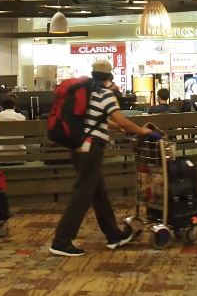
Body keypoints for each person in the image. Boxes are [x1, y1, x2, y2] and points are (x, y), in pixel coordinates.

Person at [50, 60, 155, 257]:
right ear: (110, 76)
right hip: (91, 148)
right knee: (83, 194)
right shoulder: (105, 94)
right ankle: (61, 241)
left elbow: (98, 118)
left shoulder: (89, 91)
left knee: (98, 193)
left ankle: (113, 235)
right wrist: (142, 131)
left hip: (79, 146)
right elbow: (121, 119)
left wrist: (117, 127)